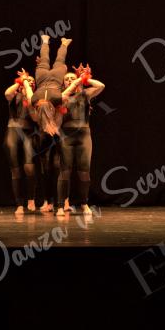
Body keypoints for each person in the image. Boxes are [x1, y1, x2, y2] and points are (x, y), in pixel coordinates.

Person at [57, 64, 105, 216]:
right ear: (63, 83)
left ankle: (84, 204)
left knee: (84, 172)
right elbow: (62, 98)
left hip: (84, 136)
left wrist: (85, 78)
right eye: (67, 79)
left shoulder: (85, 94)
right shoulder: (61, 95)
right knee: (65, 171)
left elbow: (101, 86)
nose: (70, 80)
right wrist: (75, 82)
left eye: (72, 78)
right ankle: (60, 205)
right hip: (66, 137)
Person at [21, 34, 72, 136]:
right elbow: (27, 88)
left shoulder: (58, 99)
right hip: (42, 78)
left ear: (52, 109)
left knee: (59, 60)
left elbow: (71, 88)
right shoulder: (33, 101)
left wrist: (79, 79)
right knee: (44, 59)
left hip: (55, 79)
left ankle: (64, 44)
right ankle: (45, 40)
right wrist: (24, 78)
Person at [3, 74, 37, 214]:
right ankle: (19, 204)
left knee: (29, 167)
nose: (30, 82)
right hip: (13, 131)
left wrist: (27, 84)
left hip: (28, 133)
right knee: (15, 170)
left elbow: (35, 114)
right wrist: (20, 81)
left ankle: (31, 199)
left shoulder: (35, 98)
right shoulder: (14, 95)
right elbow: (7, 93)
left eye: (32, 81)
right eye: (28, 80)